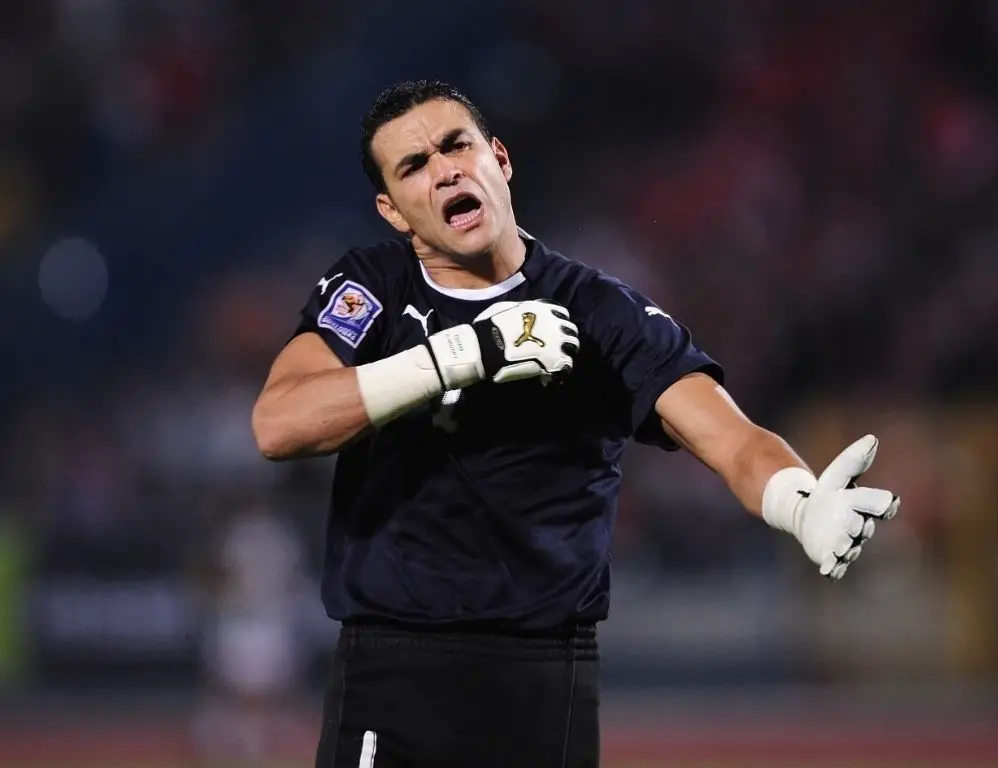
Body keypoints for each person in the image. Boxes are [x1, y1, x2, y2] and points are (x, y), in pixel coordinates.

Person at [251, 79, 900, 768]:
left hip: (545, 678)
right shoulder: (374, 287)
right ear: (393, 211)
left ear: (500, 159)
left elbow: (730, 438)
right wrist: (460, 356)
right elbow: (279, 422)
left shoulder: (600, 312)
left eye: (456, 146)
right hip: (394, 669)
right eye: (413, 166)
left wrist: (798, 503)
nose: (443, 171)